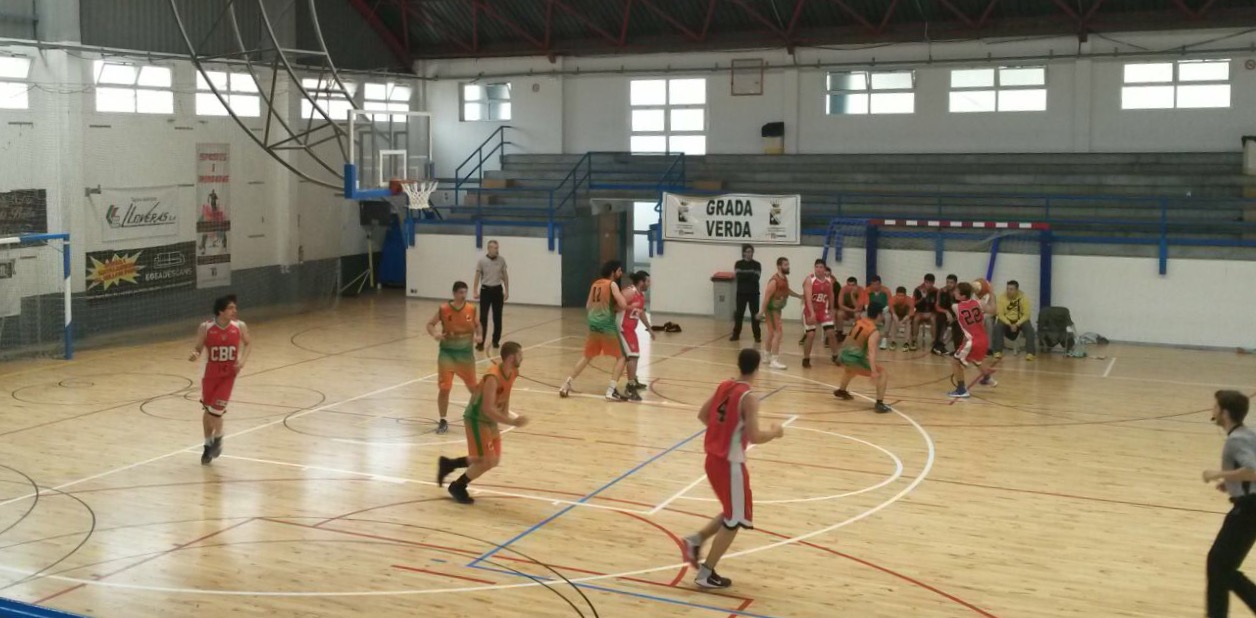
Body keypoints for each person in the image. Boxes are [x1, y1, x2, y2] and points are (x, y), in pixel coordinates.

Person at [681, 348, 784, 589]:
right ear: (757, 368)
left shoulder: (725, 385)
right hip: (730, 465)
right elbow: (755, 436)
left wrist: (723, 431)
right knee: (735, 519)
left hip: (712, 460)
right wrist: (775, 432)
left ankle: (695, 540)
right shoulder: (748, 397)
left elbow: (703, 415)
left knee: (733, 511)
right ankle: (706, 573)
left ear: (738, 364)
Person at [437, 342, 529, 504]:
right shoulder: (493, 377)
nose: (522, 358)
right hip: (476, 419)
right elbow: (487, 408)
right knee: (485, 460)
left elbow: (506, 392)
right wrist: (512, 421)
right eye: (520, 355)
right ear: (511, 358)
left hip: (489, 420)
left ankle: (449, 464)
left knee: (493, 460)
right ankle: (458, 486)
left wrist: (504, 412)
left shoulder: (513, 372)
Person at [1201, 390, 1256, 617]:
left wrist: (1219, 474)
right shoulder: (1247, 434)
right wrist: (1232, 482)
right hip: (1250, 505)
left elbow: (1253, 471)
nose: (1212, 410)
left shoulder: (1236, 440)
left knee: (1219, 565)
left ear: (1224, 413)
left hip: (1249, 508)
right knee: (1221, 566)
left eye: (1215, 407)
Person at [188, 294, 251, 465]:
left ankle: (219, 437)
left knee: (216, 410)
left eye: (235, 307)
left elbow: (248, 343)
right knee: (208, 412)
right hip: (210, 374)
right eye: (231, 308)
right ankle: (207, 444)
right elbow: (198, 347)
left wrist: (242, 361)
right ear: (221, 311)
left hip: (228, 375)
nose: (234, 310)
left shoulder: (239, 326)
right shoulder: (206, 327)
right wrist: (195, 354)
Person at [560, 260, 627, 400]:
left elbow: (588, 306)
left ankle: (566, 384)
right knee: (622, 357)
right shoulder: (612, 284)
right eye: (619, 270)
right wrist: (616, 305)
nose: (621, 273)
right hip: (606, 325)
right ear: (613, 272)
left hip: (593, 324)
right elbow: (623, 304)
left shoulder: (595, 284)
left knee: (587, 356)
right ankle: (611, 390)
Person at [426, 281, 483, 435]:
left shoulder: (471, 309)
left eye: (465, 292)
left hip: (465, 355)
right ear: (454, 293)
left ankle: (478, 416)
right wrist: (435, 334)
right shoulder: (444, 309)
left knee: (474, 388)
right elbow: (430, 324)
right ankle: (443, 420)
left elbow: (478, 325)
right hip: (447, 354)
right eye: (460, 292)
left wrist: (479, 335)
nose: (463, 295)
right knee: (444, 388)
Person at [833, 303, 891, 414]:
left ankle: (841, 390)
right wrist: (874, 371)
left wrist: (840, 355)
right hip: (854, 359)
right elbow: (872, 352)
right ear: (879, 315)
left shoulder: (859, 322)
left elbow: (848, 338)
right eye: (882, 314)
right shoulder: (873, 330)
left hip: (844, 355)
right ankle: (879, 404)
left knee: (850, 370)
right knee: (882, 373)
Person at [611, 270, 655, 402]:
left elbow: (640, 313)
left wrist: (649, 328)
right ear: (641, 282)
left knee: (634, 356)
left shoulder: (640, 294)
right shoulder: (629, 292)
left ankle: (633, 381)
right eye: (648, 281)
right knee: (632, 356)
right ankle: (630, 387)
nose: (649, 283)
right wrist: (630, 306)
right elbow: (615, 307)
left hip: (631, 329)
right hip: (622, 327)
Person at [947, 282, 996, 398]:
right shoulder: (979, 303)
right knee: (975, 359)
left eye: (956, 292)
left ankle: (961, 390)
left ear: (963, 296)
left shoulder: (955, 307)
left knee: (955, 362)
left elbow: (960, 304)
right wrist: (991, 293)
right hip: (983, 339)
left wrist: (972, 288)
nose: (954, 292)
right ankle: (987, 377)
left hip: (972, 341)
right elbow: (993, 310)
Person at [760, 258, 801, 370]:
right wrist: (761, 312)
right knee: (778, 333)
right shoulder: (774, 281)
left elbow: (787, 291)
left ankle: (766, 356)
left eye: (788, 264)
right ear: (779, 266)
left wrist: (799, 296)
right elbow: (766, 297)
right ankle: (774, 360)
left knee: (771, 333)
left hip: (776, 309)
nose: (788, 266)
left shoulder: (784, 279)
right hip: (772, 310)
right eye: (785, 265)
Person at [800, 259, 838, 369]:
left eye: (821, 267)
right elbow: (808, 298)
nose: (818, 269)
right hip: (810, 309)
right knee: (811, 335)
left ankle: (835, 355)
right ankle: (806, 358)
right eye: (816, 267)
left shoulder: (829, 280)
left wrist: (832, 309)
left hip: (822, 310)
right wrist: (812, 313)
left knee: (831, 332)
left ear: (824, 269)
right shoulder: (810, 280)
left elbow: (831, 295)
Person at [473, 240, 509, 351]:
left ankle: (495, 340)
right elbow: (477, 276)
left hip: (497, 290)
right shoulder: (482, 261)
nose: (497, 250)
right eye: (494, 248)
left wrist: (507, 291)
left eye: (497, 248)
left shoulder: (501, 260)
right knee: (483, 318)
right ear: (489, 248)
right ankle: (480, 343)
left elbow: (505, 276)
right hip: (486, 290)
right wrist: (475, 290)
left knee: (497, 317)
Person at [992, 280, 1037, 361]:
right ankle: (998, 351)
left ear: (1017, 290)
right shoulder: (1001, 297)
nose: (1008, 291)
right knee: (998, 327)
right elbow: (1000, 314)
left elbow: (1027, 315)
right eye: (1007, 289)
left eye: (1011, 289)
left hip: (1020, 319)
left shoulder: (1024, 298)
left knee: (1029, 329)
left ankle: (1030, 353)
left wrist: (1017, 324)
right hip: (1006, 319)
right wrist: (1009, 324)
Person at [730, 244, 761, 343]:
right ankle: (736, 335)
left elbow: (756, 278)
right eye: (747, 251)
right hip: (741, 293)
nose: (750, 253)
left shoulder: (757, 264)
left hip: (754, 294)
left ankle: (757, 336)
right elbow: (739, 277)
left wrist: (745, 276)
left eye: (751, 251)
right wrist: (750, 275)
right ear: (743, 253)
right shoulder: (738, 264)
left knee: (755, 315)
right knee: (739, 314)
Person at [859, 275, 890, 350]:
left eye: (877, 284)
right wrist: (873, 312)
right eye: (873, 284)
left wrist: (880, 312)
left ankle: (884, 339)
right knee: (863, 315)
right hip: (871, 311)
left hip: (883, 312)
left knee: (888, 317)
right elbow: (866, 305)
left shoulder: (886, 291)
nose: (875, 286)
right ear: (871, 284)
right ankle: (865, 337)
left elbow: (889, 305)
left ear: (880, 284)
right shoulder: (867, 291)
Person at [910, 274, 940, 352]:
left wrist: (932, 313)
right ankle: (914, 340)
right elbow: (914, 304)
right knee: (915, 319)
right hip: (919, 312)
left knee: (933, 319)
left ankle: (934, 341)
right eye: (926, 282)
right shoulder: (917, 290)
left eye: (930, 283)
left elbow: (938, 305)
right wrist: (922, 298)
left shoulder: (936, 291)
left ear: (933, 283)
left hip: (931, 312)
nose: (928, 285)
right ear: (924, 281)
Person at [932, 274, 959, 356]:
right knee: (941, 319)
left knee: (959, 324)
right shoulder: (941, 291)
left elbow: (962, 306)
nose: (948, 284)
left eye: (951, 282)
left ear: (956, 283)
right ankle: (937, 345)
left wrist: (955, 317)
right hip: (944, 313)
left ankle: (957, 348)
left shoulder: (959, 292)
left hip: (957, 314)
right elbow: (937, 306)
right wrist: (946, 312)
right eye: (947, 282)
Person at [886, 286, 915, 351]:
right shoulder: (892, 300)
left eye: (902, 296)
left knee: (908, 322)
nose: (900, 297)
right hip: (896, 314)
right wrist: (897, 322)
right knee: (894, 322)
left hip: (906, 315)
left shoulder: (910, 300)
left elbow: (909, 314)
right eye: (898, 295)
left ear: (905, 295)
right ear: (896, 295)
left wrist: (901, 322)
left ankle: (906, 343)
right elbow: (893, 314)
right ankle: (893, 341)